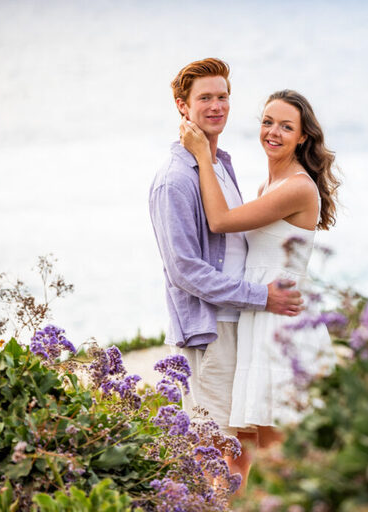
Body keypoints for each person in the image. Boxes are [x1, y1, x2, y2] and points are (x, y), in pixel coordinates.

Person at [149, 58, 303, 483]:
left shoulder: (219, 164)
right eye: (205, 98)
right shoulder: (175, 179)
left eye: (222, 97)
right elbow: (184, 271)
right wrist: (263, 296)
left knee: (243, 448)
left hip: (240, 325)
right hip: (212, 329)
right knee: (218, 453)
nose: (216, 106)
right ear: (183, 106)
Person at [180, 88, 339, 476]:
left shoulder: (298, 187)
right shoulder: (268, 186)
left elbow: (219, 221)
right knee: (257, 444)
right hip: (262, 312)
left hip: (281, 318)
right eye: (268, 122)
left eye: (287, 126)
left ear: (303, 136)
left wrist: (203, 154)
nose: (274, 132)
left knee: (276, 450)